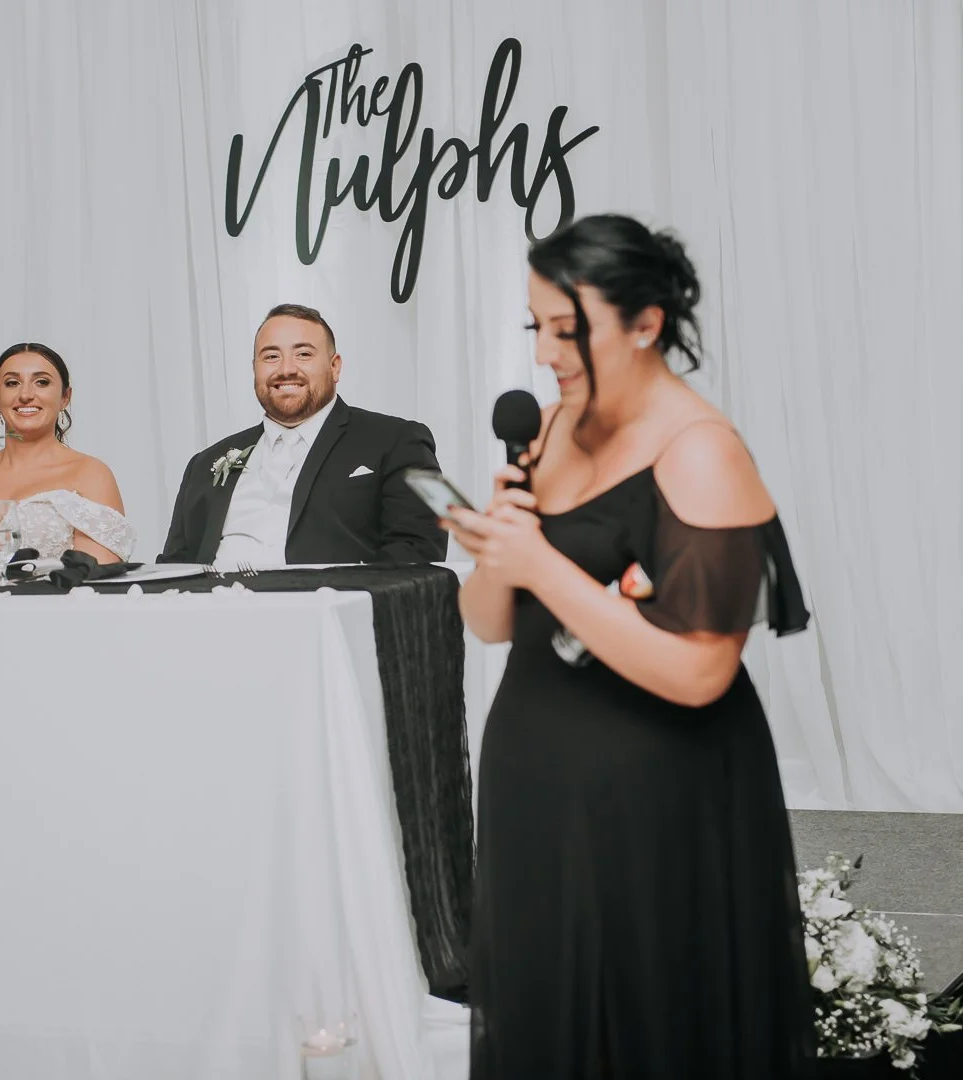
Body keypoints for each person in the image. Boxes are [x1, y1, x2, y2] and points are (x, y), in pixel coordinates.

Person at [444, 215, 815, 1078]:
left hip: (653, 794)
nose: (545, 353)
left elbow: (699, 672)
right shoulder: (548, 427)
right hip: (534, 780)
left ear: (645, 323)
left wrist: (541, 563)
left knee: (653, 1022)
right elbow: (490, 623)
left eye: (567, 330)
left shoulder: (700, 450)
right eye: (536, 327)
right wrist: (499, 545)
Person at [159, 303, 447, 565]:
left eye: (303, 354)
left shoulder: (398, 441)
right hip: (212, 603)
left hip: (332, 602)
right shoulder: (203, 464)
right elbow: (174, 566)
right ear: (254, 369)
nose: (286, 369)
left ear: (335, 367)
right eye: (271, 356)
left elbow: (418, 552)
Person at [0, 342, 135, 563]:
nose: (25, 394)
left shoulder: (90, 474)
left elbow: (94, 573)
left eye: (42, 382)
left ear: (65, 397)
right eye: (12, 383)